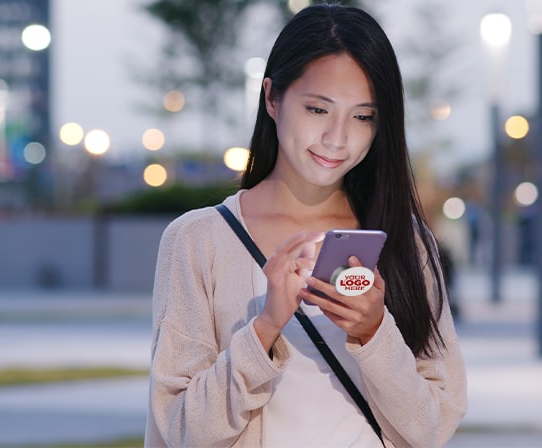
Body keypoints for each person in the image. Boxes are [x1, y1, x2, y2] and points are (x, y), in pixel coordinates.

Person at [145, 4, 467, 448]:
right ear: (272, 98)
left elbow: (433, 426)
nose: (338, 137)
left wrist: (374, 333)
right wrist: (265, 328)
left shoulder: (403, 238)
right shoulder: (198, 240)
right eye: (318, 109)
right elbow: (181, 430)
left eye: (363, 116)